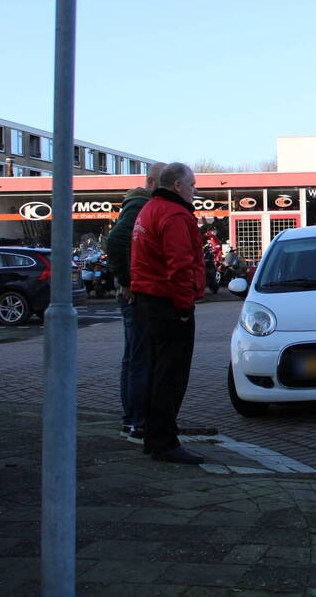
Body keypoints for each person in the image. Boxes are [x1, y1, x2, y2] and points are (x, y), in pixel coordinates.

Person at [130, 162, 206, 464]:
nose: (195, 190)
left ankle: (154, 435)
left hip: (149, 299)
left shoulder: (149, 210)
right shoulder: (175, 215)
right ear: (177, 185)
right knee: (171, 374)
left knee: (156, 370)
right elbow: (179, 266)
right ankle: (164, 441)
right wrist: (184, 307)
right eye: (192, 184)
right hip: (168, 303)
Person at [105, 162, 165, 442]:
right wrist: (128, 282)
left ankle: (132, 420)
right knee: (140, 358)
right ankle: (136, 422)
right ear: (152, 182)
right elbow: (116, 241)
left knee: (133, 358)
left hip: (132, 293)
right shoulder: (141, 204)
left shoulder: (138, 203)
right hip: (135, 296)